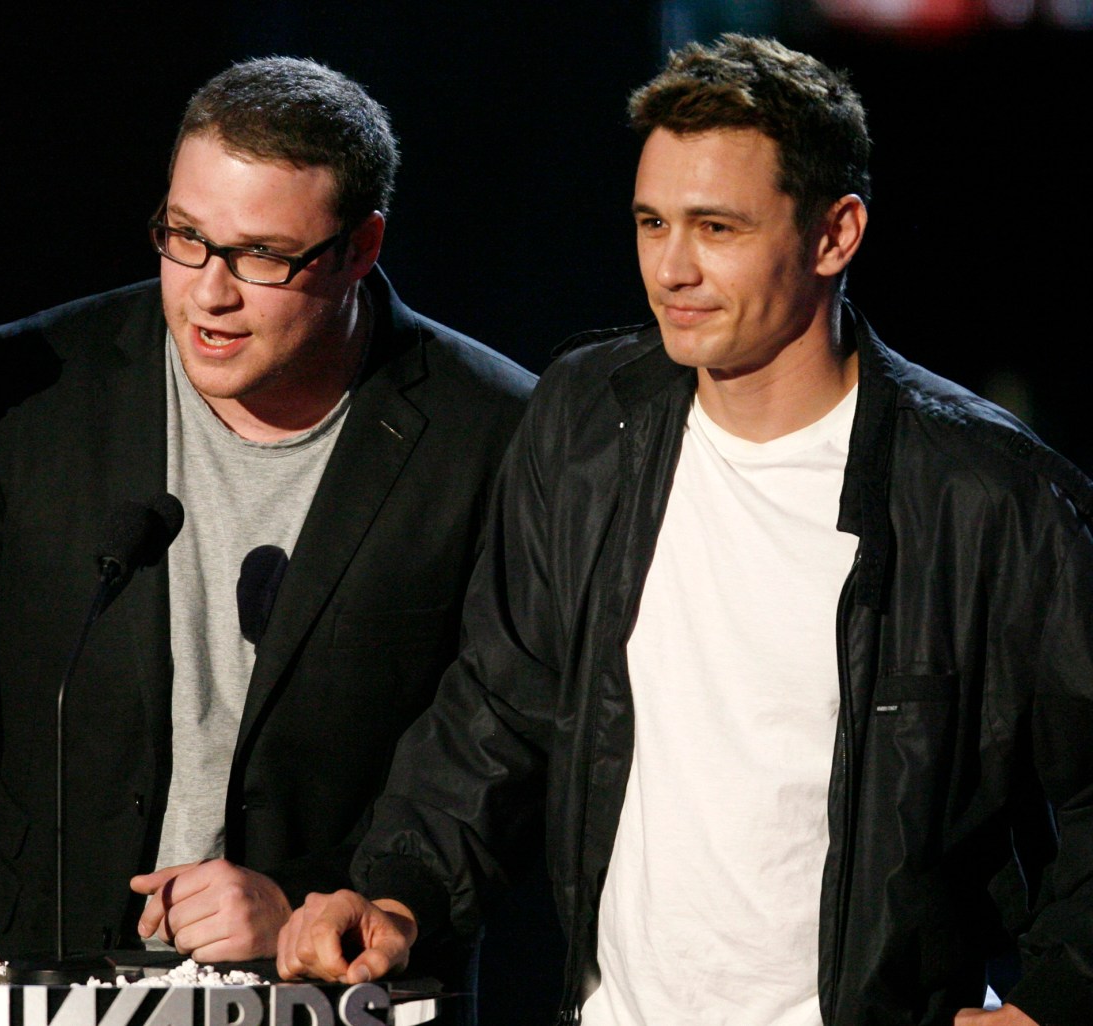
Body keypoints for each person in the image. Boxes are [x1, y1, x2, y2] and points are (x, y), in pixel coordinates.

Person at [276, 34, 1093, 1026]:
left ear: (835, 234)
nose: (673, 267)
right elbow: (498, 706)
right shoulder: (587, 420)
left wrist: (1051, 1002)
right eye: (652, 222)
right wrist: (400, 888)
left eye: (717, 227)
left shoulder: (986, 496)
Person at [0, 56, 534, 963]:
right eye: (184, 236)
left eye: (262, 257)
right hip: (54, 973)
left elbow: (497, 761)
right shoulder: (31, 390)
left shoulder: (492, 435)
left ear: (361, 248)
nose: (210, 291)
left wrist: (313, 904)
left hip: (331, 988)